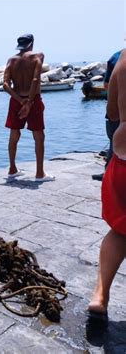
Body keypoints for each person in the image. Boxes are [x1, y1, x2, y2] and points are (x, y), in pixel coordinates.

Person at [88, 50, 126, 321]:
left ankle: (100, 295)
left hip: (124, 153)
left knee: (119, 231)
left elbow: (111, 111)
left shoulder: (123, 58)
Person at [3, 34, 55, 182]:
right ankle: (39, 174)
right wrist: (29, 103)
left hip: (15, 100)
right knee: (38, 136)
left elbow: (5, 85)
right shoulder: (38, 56)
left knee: (14, 134)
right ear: (31, 43)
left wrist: (20, 101)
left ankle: (12, 169)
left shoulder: (11, 60)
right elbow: (35, 79)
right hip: (34, 100)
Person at [92, 49, 123, 181]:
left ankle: (109, 173)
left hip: (116, 108)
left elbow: (106, 85)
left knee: (113, 141)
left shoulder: (116, 57)